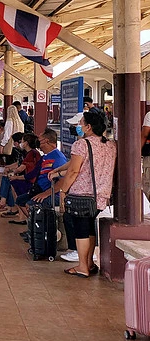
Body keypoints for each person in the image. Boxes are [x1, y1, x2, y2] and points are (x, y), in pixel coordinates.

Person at [52, 111, 116, 277]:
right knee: (89, 228)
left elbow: (73, 171)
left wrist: (63, 191)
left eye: (81, 124)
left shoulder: (81, 145)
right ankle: (90, 263)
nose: (78, 127)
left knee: (81, 229)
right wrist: (59, 170)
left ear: (88, 127)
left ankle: (82, 266)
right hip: (101, 195)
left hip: (81, 194)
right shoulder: (110, 145)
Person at [11, 129, 67, 226]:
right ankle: (35, 225)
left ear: (46, 141)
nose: (37, 141)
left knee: (31, 204)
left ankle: (39, 227)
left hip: (53, 194)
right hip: (39, 189)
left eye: (40, 139)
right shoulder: (45, 156)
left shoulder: (58, 158)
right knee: (20, 200)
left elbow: (62, 181)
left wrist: (45, 194)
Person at [0, 133, 40, 216]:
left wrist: (12, 172)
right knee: (10, 179)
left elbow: (21, 168)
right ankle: (7, 204)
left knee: (11, 180)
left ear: (26, 143)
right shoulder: (31, 153)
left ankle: (8, 205)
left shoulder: (30, 153)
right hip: (31, 178)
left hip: (30, 180)